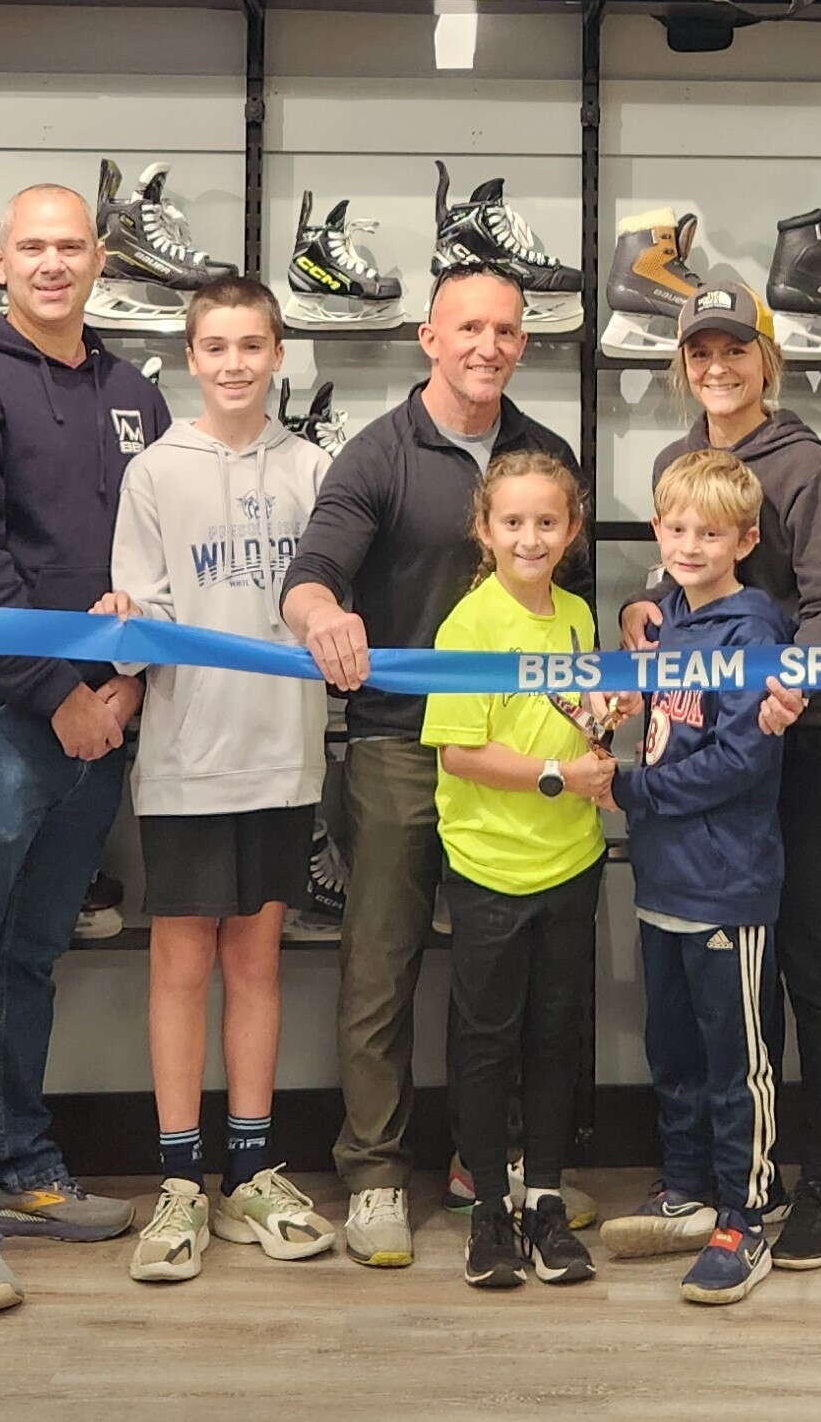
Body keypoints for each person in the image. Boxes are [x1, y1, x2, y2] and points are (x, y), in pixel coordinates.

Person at [0, 185, 169, 1316]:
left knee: (29, 955)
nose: (53, 263)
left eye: (71, 246)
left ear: (99, 258)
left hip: (99, 718)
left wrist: (126, 680)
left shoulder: (131, 389)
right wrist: (60, 691)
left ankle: (19, 1163)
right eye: (32, 247)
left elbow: (158, 557)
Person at [280, 263, 582, 1271]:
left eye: (504, 328)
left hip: (514, 749)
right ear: (428, 336)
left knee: (513, 975)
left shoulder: (547, 455)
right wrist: (323, 617)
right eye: (468, 327)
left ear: (521, 342)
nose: (486, 344)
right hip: (402, 743)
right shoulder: (378, 453)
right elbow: (312, 574)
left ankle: (484, 1166)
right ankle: (372, 1173)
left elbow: (568, 614)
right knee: (383, 963)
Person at [618, 283, 821, 1268]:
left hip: (803, 744)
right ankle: (729, 1179)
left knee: (807, 961)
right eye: (699, 352)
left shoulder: (806, 464)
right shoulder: (682, 463)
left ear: (768, 359)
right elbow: (671, 577)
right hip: (718, 751)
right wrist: (646, 611)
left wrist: (789, 684)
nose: (716, 367)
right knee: (730, 999)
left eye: (735, 350)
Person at [105, 274, 337, 1284]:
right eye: (217, 346)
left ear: (278, 354)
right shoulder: (156, 470)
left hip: (282, 753)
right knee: (176, 968)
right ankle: (178, 1181)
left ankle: (249, 1166)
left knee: (257, 963)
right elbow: (138, 616)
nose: (236, 362)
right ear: (190, 358)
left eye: (254, 344)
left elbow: (335, 605)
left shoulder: (315, 466)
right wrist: (118, 622)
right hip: (188, 757)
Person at [602, 448, 796, 1306]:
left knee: (736, 1058)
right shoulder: (665, 619)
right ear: (657, 529)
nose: (689, 543)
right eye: (676, 528)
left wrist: (633, 790)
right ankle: (686, 1181)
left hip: (729, 880)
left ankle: (748, 1206)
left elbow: (739, 762)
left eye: (709, 532)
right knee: (672, 1047)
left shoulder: (753, 631)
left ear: (744, 539)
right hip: (662, 880)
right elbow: (662, 724)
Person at [423, 451, 610, 1293]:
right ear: (484, 529)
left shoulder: (576, 613)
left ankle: (544, 1200)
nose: (529, 537)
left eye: (546, 521)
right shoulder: (468, 624)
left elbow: (573, 715)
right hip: (492, 866)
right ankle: (489, 1206)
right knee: (486, 1041)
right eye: (512, 522)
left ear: (570, 530)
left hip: (572, 860)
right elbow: (461, 749)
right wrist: (554, 778)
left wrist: (604, 722)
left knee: (556, 1035)